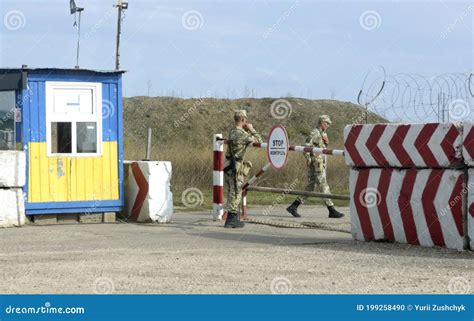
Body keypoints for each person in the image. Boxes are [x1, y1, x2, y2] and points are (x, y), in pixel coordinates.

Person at [286, 115, 344, 219]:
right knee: (323, 185)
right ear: (322, 122)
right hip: (316, 163)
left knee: (311, 186)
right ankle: (331, 209)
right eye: (327, 123)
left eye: (329, 123)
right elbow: (306, 146)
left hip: (321, 162)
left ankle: (293, 206)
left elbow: (320, 147)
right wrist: (309, 159)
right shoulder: (314, 132)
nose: (328, 125)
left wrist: (326, 142)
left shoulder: (323, 134)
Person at [223, 110, 263, 228]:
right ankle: (231, 220)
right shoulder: (242, 134)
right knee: (236, 192)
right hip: (236, 166)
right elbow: (259, 140)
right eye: (246, 119)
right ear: (243, 119)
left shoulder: (232, 131)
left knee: (232, 190)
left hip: (228, 165)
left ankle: (232, 218)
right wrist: (251, 129)